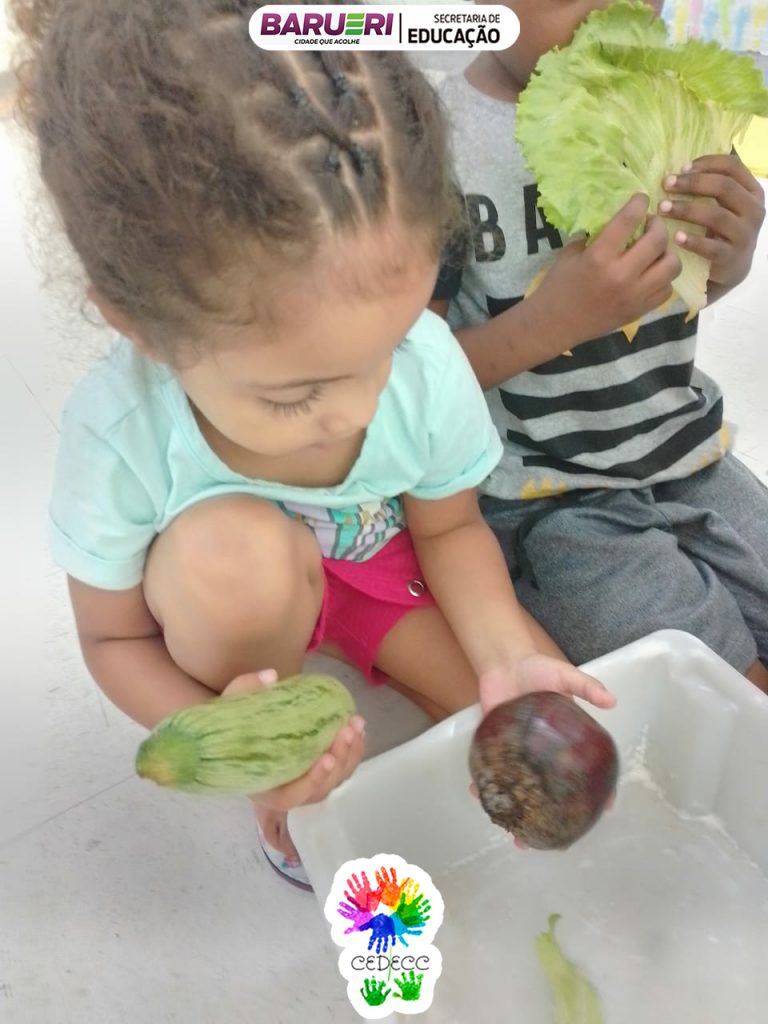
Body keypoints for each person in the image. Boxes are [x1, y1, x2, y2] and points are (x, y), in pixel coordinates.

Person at [13, 0, 613, 890]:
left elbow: (448, 529)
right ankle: (280, 739)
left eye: (389, 348)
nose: (358, 408)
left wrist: (504, 656)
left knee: (532, 731)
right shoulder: (121, 432)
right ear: (141, 326)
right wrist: (241, 750)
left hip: (381, 559)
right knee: (233, 559)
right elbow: (112, 640)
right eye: (295, 393)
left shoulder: (422, 365)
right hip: (229, 591)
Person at [431, 0, 768, 692]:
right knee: (722, 689)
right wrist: (550, 322)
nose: (616, 9)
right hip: (550, 500)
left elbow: (683, 294)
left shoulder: (673, 98)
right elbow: (412, 377)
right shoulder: (436, 145)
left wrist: (731, 256)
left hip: (691, 452)